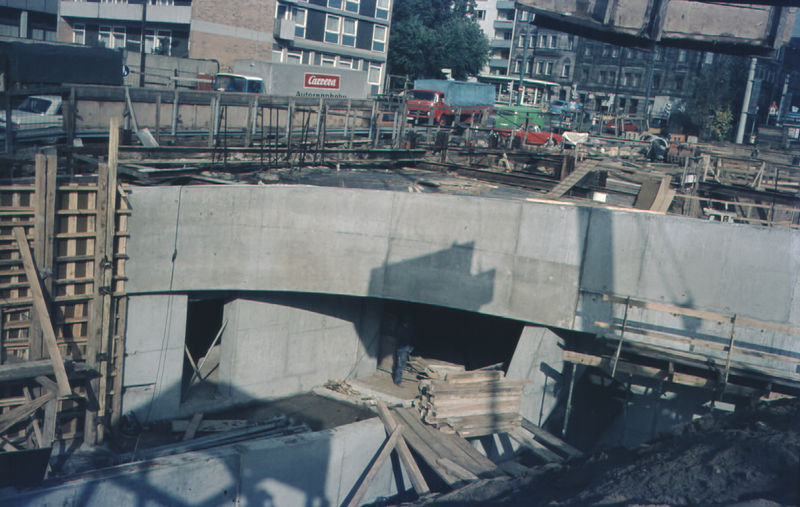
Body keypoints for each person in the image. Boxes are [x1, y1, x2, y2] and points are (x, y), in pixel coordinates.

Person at [392, 313, 414, 385]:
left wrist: (410, 347)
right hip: (401, 349)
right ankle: (397, 381)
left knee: (403, 365)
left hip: (406, 349)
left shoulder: (408, 329)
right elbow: (400, 339)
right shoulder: (400, 329)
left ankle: (399, 379)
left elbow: (410, 339)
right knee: (399, 365)